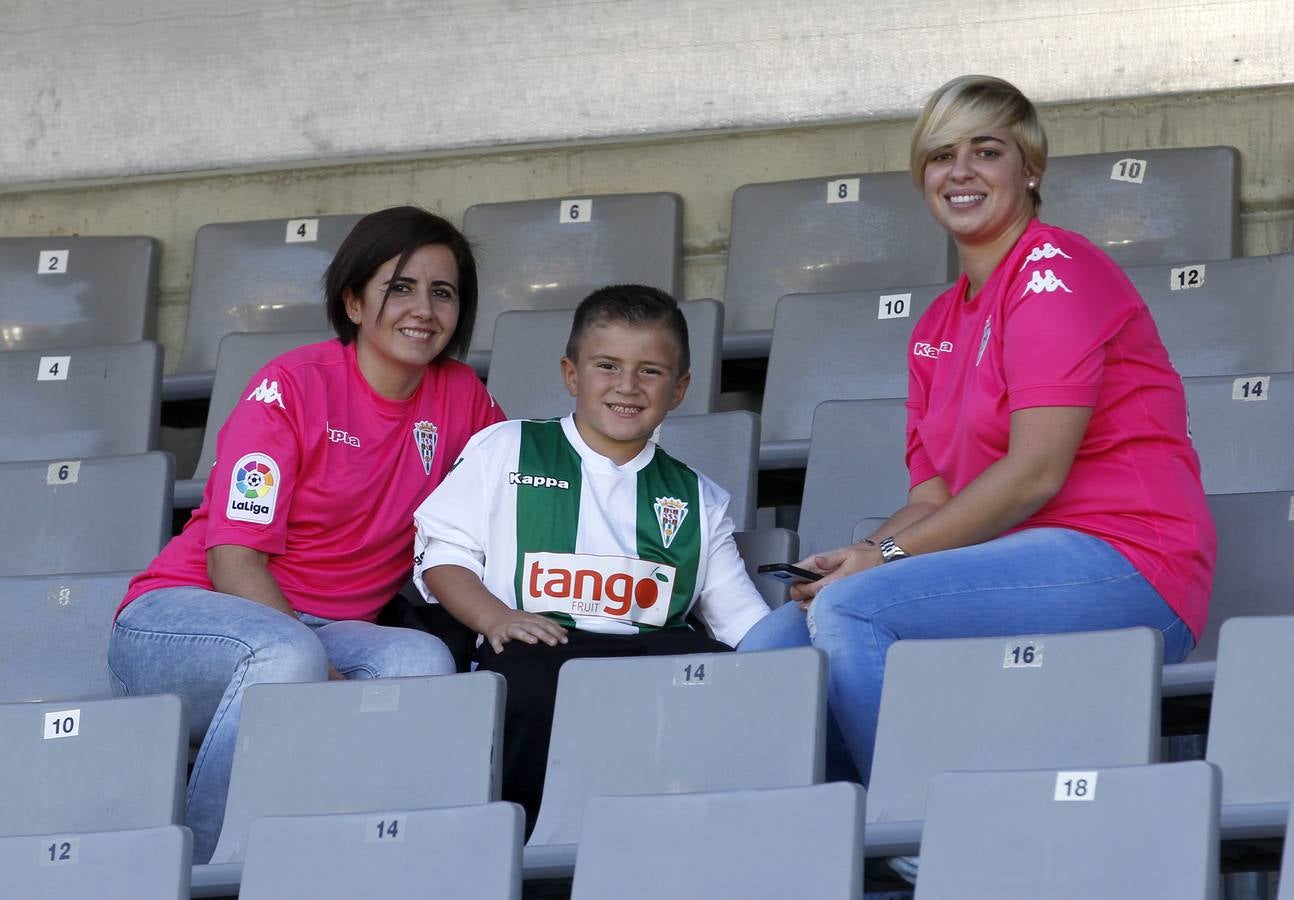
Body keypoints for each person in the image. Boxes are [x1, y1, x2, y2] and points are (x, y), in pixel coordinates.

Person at [739, 75, 1216, 786]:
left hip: (1130, 559)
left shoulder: (1057, 270)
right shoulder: (936, 325)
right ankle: (840, 859)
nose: (959, 172)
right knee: (769, 653)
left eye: (985, 151)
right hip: (1015, 563)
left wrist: (886, 559)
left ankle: (922, 840)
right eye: (940, 155)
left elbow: (1034, 473)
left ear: (1029, 169)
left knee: (855, 612)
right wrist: (863, 551)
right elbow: (932, 497)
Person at [108, 206, 505, 863]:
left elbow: (517, 489)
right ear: (353, 301)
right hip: (186, 616)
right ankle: (208, 867)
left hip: (325, 629)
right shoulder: (290, 385)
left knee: (421, 663)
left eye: (444, 292)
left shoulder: (461, 395)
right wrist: (322, 674)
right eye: (400, 287)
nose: (424, 309)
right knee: (286, 659)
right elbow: (234, 561)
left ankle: (375, 860)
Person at [412, 284, 770, 832]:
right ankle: (523, 854)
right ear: (572, 374)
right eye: (607, 365)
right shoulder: (506, 448)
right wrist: (494, 618)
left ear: (680, 389)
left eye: (650, 371)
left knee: (719, 683)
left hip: (648, 656)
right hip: (541, 648)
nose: (627, 386)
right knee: (527, 687)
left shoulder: (698, 497)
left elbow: (742, 621)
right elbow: (444, 558)